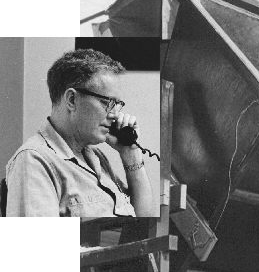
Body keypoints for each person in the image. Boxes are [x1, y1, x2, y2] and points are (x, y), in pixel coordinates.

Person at [6, 49, 157, 217]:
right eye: (107, 102)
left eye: (117, 104)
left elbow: (143, 226)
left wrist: (131, 153)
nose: (115, 114)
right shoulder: (35, 160)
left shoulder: (96, 158)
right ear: (72, 100)